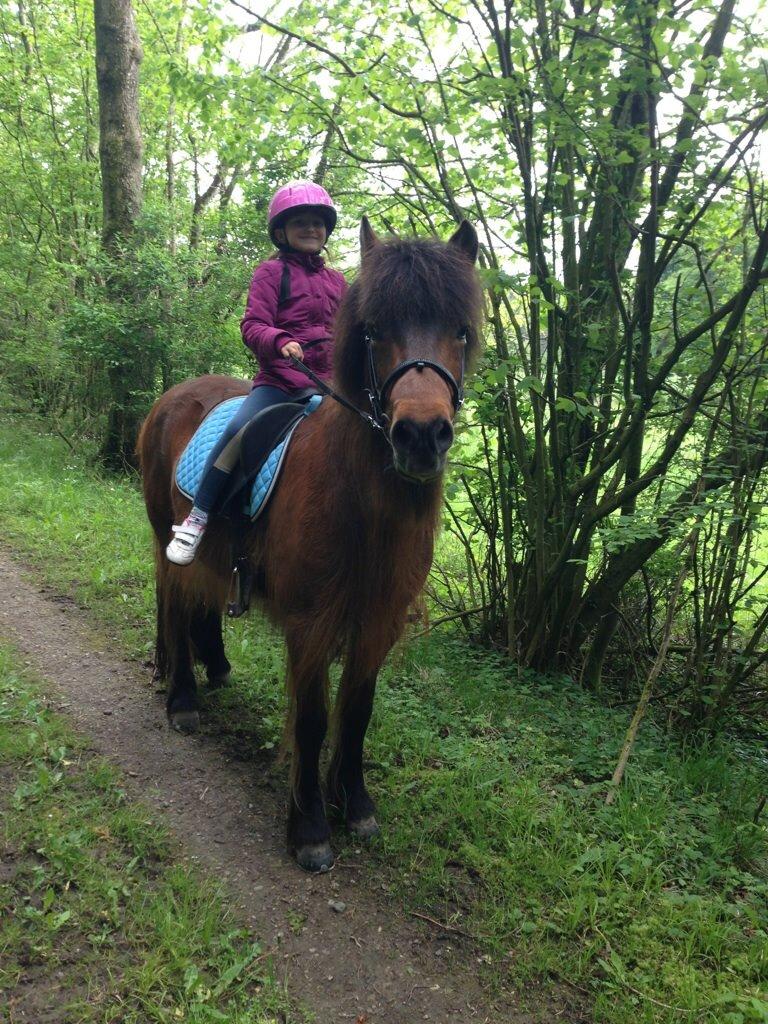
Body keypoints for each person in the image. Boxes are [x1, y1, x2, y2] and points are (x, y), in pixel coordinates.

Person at [166, 182, 347, 565]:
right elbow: (253, 325)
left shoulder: (338, 282)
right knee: (239, 433)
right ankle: (197, 519)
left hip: (331, 388)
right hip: (282, 384)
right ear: (281, 231)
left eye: (317, 223)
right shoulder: (271, 273)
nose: (311, 229)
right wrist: (280, 339)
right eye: (301, 222)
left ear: (327, 229)